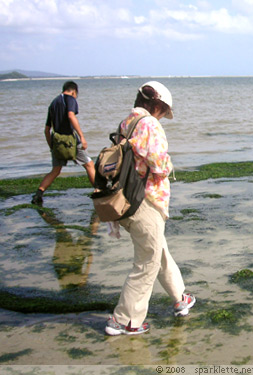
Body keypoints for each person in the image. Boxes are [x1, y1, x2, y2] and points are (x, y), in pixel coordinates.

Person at [105, 81, 195, 336]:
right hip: (146, 203)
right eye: (164, 112)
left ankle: (180, 299)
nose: (164, 117)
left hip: (128, 201)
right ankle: (124, 321)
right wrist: (168, 164)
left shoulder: (127, 123)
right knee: (146, 263)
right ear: (156, 105)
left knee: (158, 252)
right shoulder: (149, 124)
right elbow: (159, 166)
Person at [31, 81, 95, 205]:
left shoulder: (53, 103)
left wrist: (52, 146)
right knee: (89, 165)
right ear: (74, 91)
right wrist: (82, 136)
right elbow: (71, 116)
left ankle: (38, 194)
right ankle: (99, 191)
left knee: (55, 170)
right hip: (71, 142)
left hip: (57, 142)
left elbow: (46, 130)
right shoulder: (70, 99)